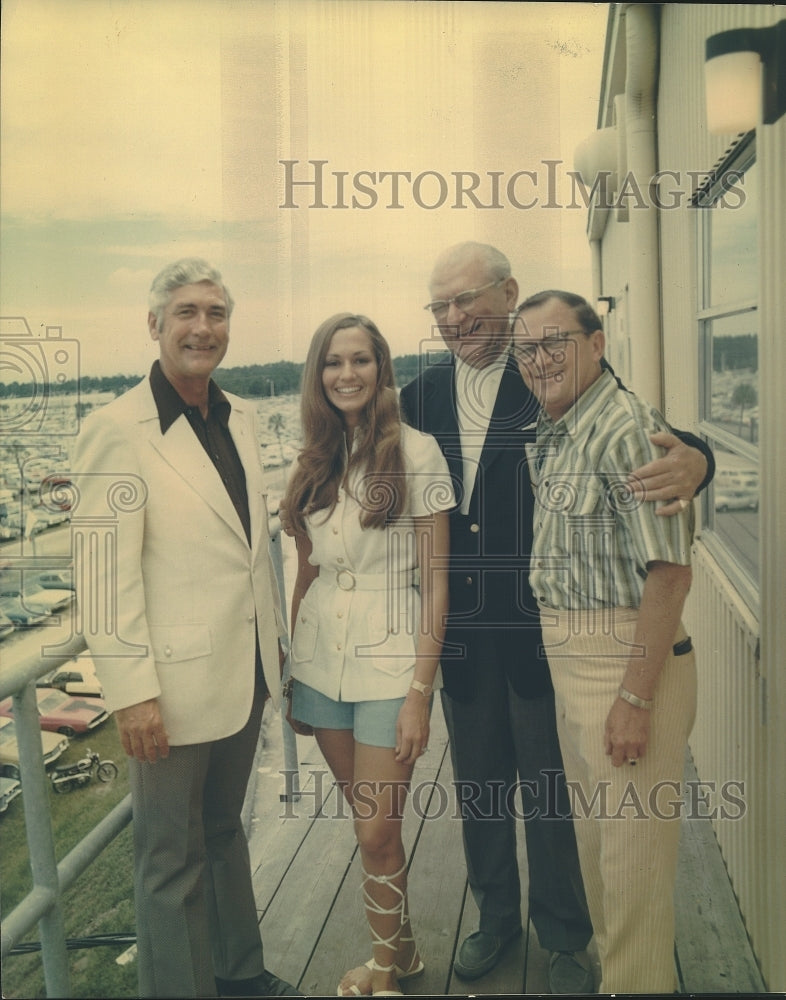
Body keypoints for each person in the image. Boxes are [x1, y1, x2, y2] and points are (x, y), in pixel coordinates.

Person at [397, 242, 713, 994]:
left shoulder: (549, 372)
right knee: (479, 792)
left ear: (509, 295)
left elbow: (648, 442)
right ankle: (495, 919)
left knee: (558, 800)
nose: (453, 318)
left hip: (552, 637)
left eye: (466, 300)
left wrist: (700, 458)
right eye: (439, 307)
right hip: (465, 639)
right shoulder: (418, 397)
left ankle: (569, 937)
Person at [72, 259, 300, 998]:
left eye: (218, 312)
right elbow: (104, 582)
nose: (204, 327)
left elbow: (242, 551)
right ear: (155, 326)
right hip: (169, 690)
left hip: (244, 673)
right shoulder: (115, 432)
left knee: (226, 832)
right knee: (170, 858)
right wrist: (133, 694)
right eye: (187, 313)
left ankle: (239, 974)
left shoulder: (239, 417)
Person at [512, 289, 697, 992]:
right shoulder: (561, 429)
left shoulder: (625, 430)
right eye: (525, 348)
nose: (540, 359)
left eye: (554, 340)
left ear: (597, 343)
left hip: (627, 665)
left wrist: (632, 697)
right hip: (575, 665)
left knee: (633, 883)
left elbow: (671, 574)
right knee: (600, 860)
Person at [281, 313, 453, 998]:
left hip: (391, 661)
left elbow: (437, 582)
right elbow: (305, 573)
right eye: (332, 361)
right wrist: (293, 674)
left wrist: (419, 692)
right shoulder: (312, 459)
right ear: (317, 376)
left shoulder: (418, 452)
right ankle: (402, 951)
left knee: (378, 826)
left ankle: (382, 970)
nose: (346, 374)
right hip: (322, 663)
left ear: (382, 370)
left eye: (360, 360)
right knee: (367, 823)